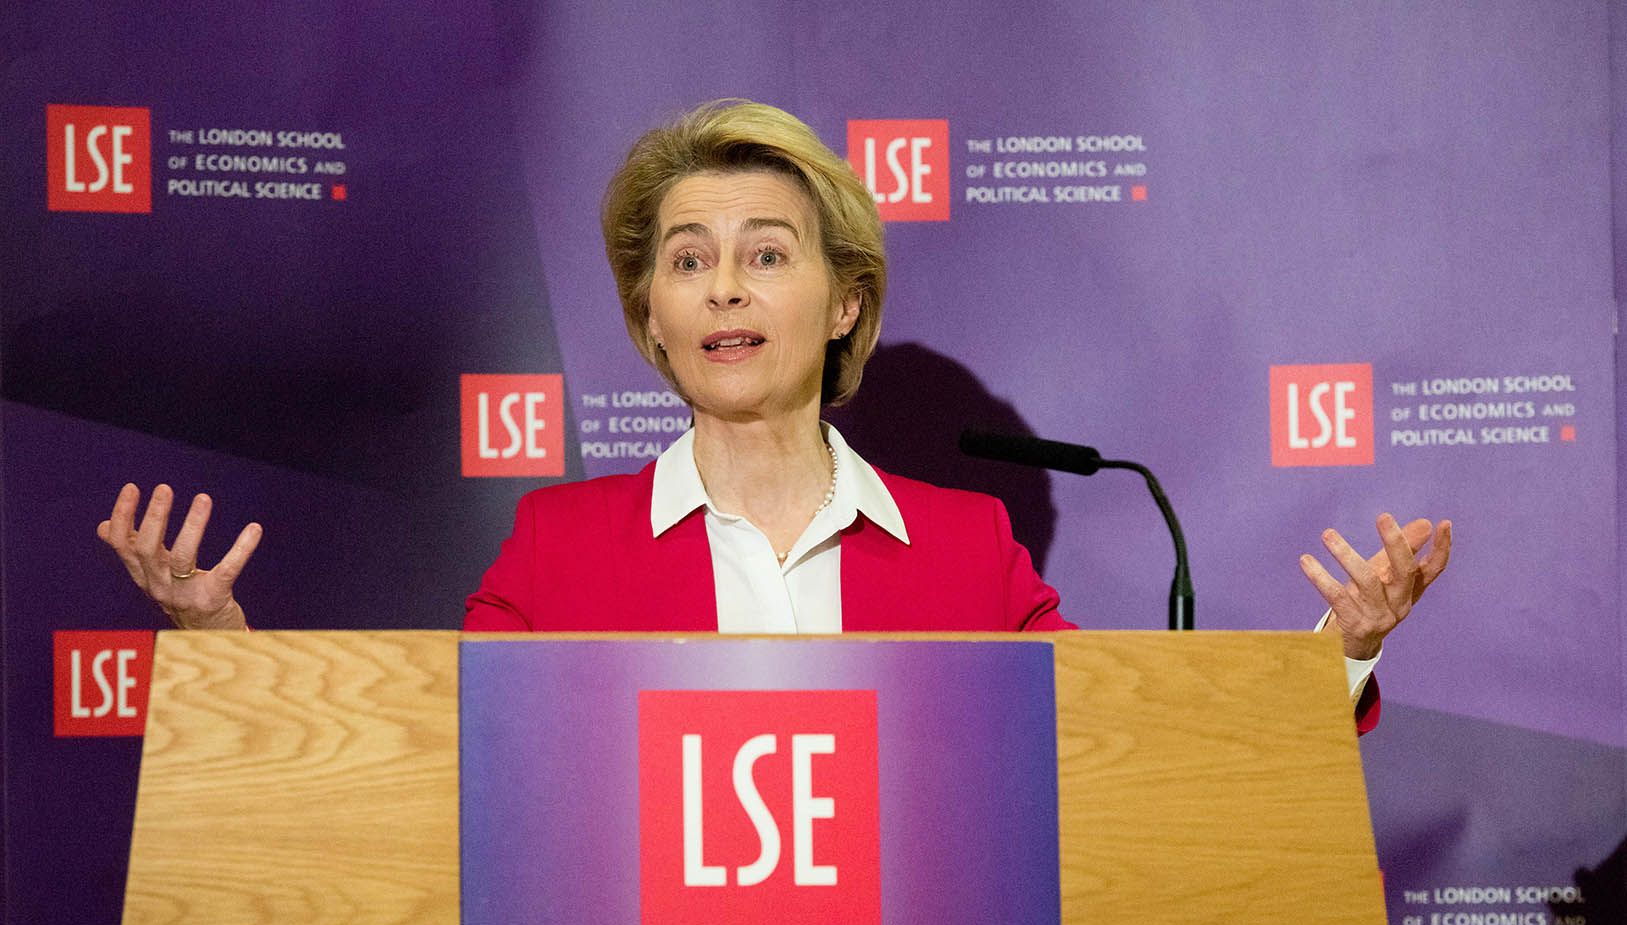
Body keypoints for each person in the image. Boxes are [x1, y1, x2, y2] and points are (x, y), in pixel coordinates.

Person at [97, 101, 1451, 699]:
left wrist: (1342, 653)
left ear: (845, 300)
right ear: (653, 321)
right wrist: (223, 645)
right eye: (687, 262)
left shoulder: (967, 550)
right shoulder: (561, 548)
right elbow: (439, 769)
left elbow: (1126, 757)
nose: (724, 289)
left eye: (767, 254)